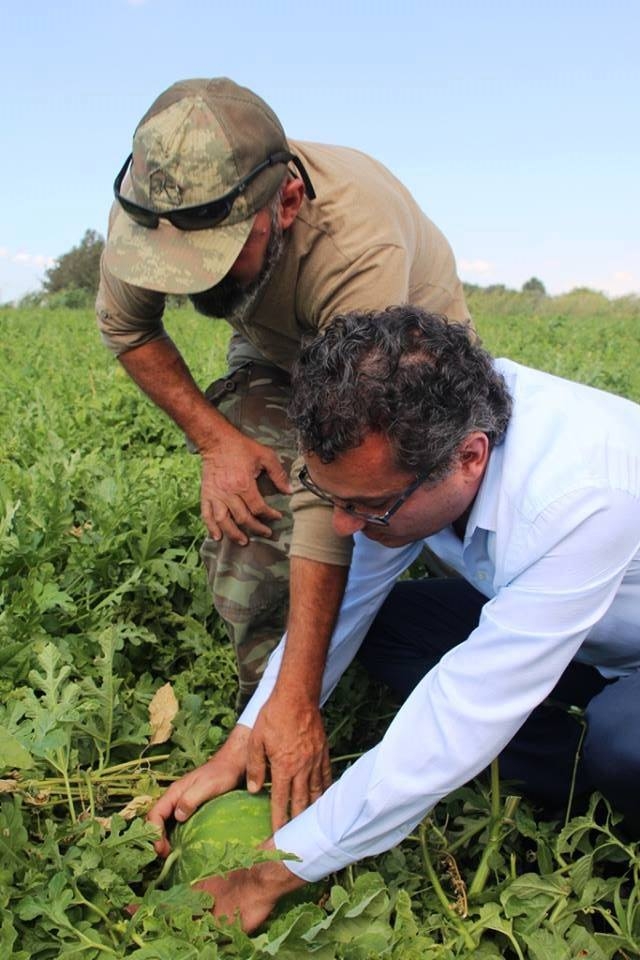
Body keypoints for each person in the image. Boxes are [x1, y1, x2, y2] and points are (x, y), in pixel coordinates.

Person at [148, 306, 640, 931]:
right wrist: (244, 741)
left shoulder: (580, 496)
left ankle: (582, 766)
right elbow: (346, 605)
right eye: (334, 501)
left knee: (622, 741)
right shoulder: (418, 434)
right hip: (574, 624)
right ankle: (544, 732)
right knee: (376, 626)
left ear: (470, 457)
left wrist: (271, 874)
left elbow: (457, 714)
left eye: (369, 507)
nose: (346, 527)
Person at [96, 78, 470, 818]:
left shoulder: (357, 247)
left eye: (216, 255)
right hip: (278, 355)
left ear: (287, 203)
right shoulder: (152, 207)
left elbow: (333, 470)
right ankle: (265, 723)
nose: (186, 277)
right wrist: (218, 442)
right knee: (256, 494)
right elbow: (127, 329)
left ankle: (303, 698)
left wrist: (297, 696)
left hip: (406, 379)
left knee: (385, 513)